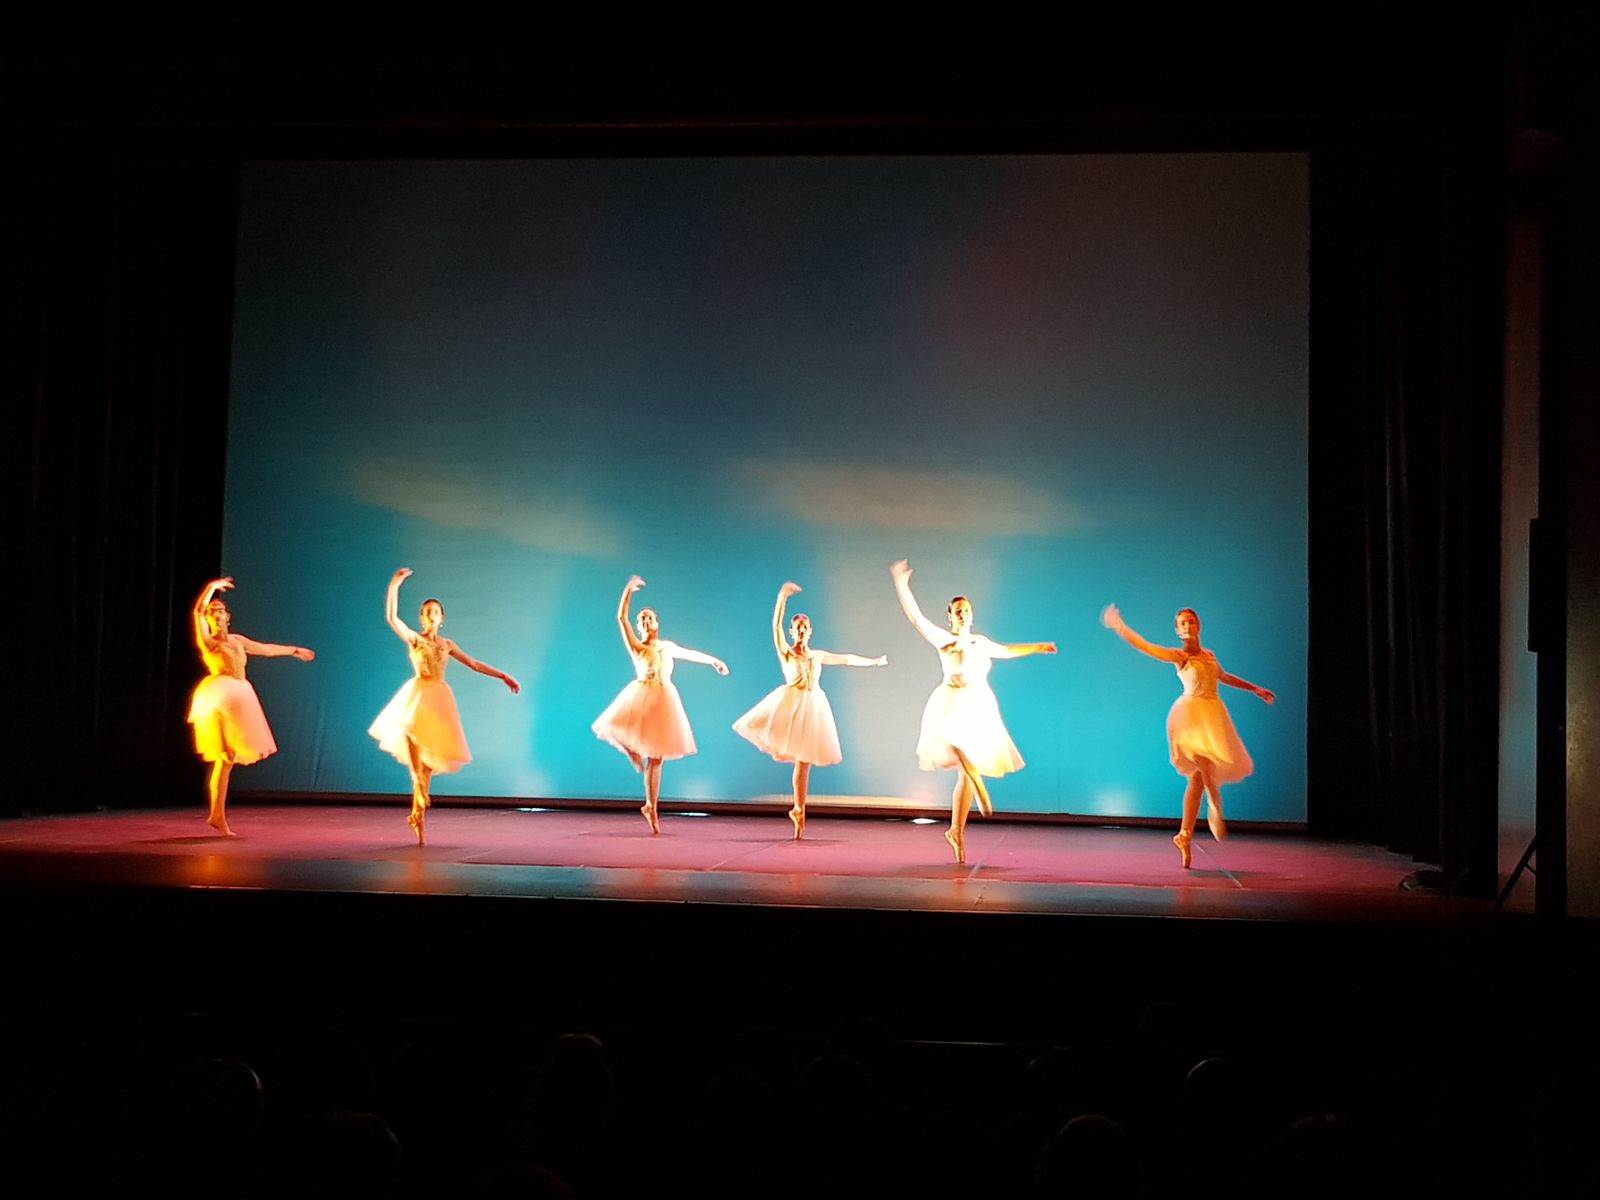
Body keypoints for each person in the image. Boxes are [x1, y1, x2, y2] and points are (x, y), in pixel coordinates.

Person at [889, 559, 1056, 863]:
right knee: (959, 751)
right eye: (958, 610)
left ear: (971, 616)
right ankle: (975, 780)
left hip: (979, 704)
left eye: (967, 610)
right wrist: (901, 584)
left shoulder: (980, 642)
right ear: (950, 616)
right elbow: (916, 619)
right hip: (951, 702)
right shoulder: (944, 639)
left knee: (965, 774)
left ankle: (956, 830)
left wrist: (1038, 647)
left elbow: (1006, 652)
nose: (963, 614)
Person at [1100, 603, 1274, 867]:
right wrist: (1120, 626)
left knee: (1198, 779)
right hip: (1190, 715)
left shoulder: (1209, 656)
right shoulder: (1179, 657)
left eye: (1191, 621)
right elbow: (1147, 647)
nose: (1188, 626)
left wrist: (1255, 689)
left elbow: (1224, 677)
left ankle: (1184, 835)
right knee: (1203, 760)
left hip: (1213, 713)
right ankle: (1215, 807)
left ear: (1198, 626)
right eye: (1182, 623)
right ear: (1178, 630)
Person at [369, 567, 520, 845]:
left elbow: (473, 664)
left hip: (438, 699)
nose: (429, 615)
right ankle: (418, 794)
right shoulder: (415, 639)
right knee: (415, 759)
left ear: (442, 618)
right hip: (417, 696)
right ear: (421, 618)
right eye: (426, 612)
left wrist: (502, 675)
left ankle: (416, 814)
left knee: (427, 768)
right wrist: (394, 585)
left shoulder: (448, 644)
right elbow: (392, 618)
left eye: (434, 612)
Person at [732, 581, 887, 839]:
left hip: (812, 706)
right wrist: (782, 598)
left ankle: (798, 808)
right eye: (797, 626)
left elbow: (846, 658)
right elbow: (775, 626)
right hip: (791, 704)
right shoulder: (787, 654)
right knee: (798, 758)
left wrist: (872, 662)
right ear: (793, 631)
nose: (801, 629)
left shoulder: (817, 655)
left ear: (810, 631)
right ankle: (798, 808)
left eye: (805, 626)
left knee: (804, 762)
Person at [592, 575, 728, 834]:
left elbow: (690, 653)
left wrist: (713, 661)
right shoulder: (637, 648)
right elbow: (621, 618)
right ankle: (630, 750)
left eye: (648, 618)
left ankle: (650, 806)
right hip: (642, 693)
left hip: (664, 699)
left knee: (657, 757)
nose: (644, 622)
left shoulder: (667, 647)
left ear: (657, 623)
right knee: (616, 728)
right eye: (641, 620)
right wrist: (628, 590)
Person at [187, 576, 315, 836]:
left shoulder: (237, 640)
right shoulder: (210, 643)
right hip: (218, 699)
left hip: (239, 695)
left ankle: (216, 815)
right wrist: (210, 588)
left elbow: (266, 649)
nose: (215, 615)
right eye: (212, 613)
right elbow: (197, 611)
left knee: (228, 760)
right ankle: (218, 817)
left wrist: (293, 650)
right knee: (224, 757)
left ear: (228, 617)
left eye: (220, 612)